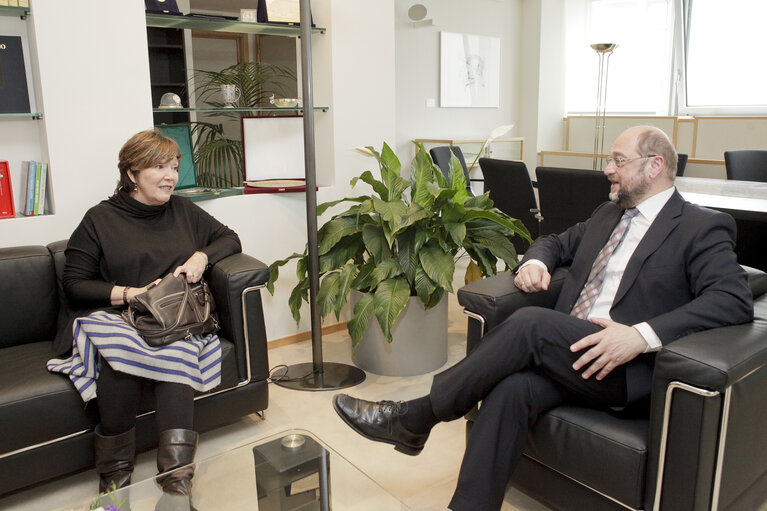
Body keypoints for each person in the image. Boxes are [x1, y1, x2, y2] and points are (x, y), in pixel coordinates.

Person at [332, 126, 754, 511]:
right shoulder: (608, 214)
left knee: (531, 322)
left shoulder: (700, 226)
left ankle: (415, 416)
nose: (608, 170)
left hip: (622, 364)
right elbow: (554, 241)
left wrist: (641, 336)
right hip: (568, 351)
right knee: (511, 391)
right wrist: (533, 262)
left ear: (655, 165)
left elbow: (733, 299)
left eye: (618, 161)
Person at [46, 129, 241, 502]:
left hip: (172, 320)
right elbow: (74, 284)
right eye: (159, 167)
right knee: (120, 357)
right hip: (116, 313)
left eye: (174, 166)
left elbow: (229, 238)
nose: (170, 175)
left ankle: (175, 479)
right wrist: (130, 294)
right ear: (132, 173)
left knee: (177, 350)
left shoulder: (183, 210)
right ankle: (116, 476)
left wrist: (201, 256)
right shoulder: (99, 219)